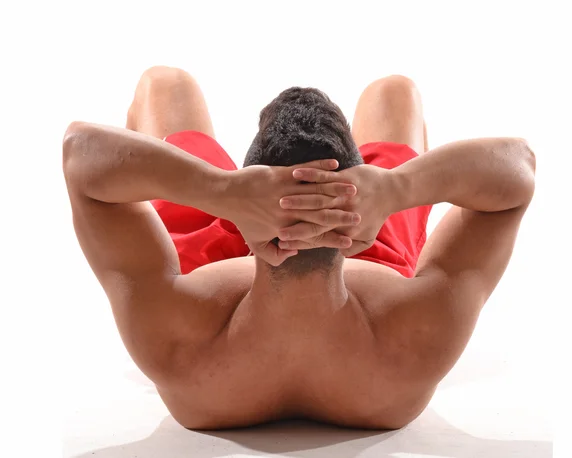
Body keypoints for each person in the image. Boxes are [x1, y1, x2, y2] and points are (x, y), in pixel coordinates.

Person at [63, 66, 536, 430]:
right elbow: (518, 169)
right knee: (395, 92)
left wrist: (221, 193)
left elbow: (81, 152)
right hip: (364, 246)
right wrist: (396, 190)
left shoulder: (178, 336)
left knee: (164, 83)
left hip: (220, 262)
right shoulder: (414, 339)